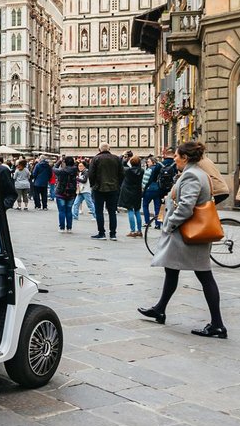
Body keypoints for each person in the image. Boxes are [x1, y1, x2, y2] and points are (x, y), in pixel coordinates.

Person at [136, 141, 226, 338]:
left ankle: (218, 324)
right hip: (187, 235)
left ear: (185, 157)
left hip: (188, 234)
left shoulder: (192, 175)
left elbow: (186, 206)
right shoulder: (195, 172)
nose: (174, 158)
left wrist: (169, 225)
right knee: (172, 269)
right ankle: (160, 309)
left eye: (176, 155)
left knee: (204, 275)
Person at [88, 144, 123, 240]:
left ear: (99, 149)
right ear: (109, 149)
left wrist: (93, 185)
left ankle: (101, 233)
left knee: (99, 211)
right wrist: (117, 184)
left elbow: (91, 174)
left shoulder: (96, 159)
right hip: (113, 188)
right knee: (112, 212)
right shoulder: (116, 159)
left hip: (99, 188)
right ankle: (113, 234)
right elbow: (122, 174)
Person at [120, 156, 145, 238]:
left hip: (128, 191)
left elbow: (121, 165)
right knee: (137, 211)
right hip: (137, 192)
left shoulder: (127, 170)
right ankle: (139, 231)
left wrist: (123, 157)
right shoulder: (142, 171)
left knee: (130, 210)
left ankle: (132, 230)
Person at [53, 156, 78, 232]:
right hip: (71, 192)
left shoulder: (62, 171)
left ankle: (62, 228)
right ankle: (69, 228)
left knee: (61, 211)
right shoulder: (75, 170)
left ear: (65, 162)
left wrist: (59, 161)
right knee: (69, 210)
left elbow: (54, 168)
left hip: (61, 192)